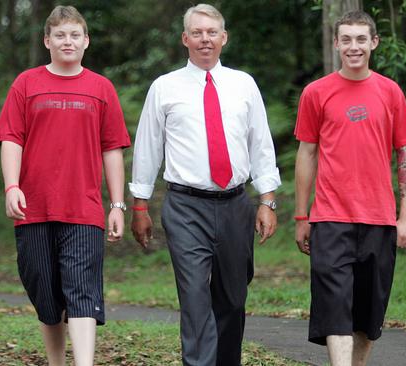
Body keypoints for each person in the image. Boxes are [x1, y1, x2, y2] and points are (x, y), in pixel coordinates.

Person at [129, 4, 281, 365]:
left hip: (235, 205)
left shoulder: (244, 84)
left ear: (224, 38)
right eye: (197, 33)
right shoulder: (164, 88)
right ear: (185, 39)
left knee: (232, 299)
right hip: (185, 208)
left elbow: (260, 143)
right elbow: (147, 148)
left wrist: (267, 200)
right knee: (195, 298)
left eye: (212, 32)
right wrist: (139, 205)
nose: (205, 39)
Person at [0, 5, 130, 366]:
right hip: (34, 206)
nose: (67, 41)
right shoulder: (26, 83)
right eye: (60, 35)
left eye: (74, 35)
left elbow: (112, 148)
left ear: (86, 41)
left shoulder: (101, 88)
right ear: (47, 41)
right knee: (46, 292)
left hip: (83, 208)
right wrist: (11, 187)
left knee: (82, 290)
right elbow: (12, 139)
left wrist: (117, 204)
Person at [293, 10, 406, 366]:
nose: (353, 46)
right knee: (334, 305)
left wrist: (405, 216)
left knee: (368, 312)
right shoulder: (316, 93)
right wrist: (302, 216)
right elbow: (307, 154)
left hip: (379, 218)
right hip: (331, 217)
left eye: (361, 39)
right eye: (346, 39)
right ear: (336, 44)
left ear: (373, 43)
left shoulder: (390, 92)